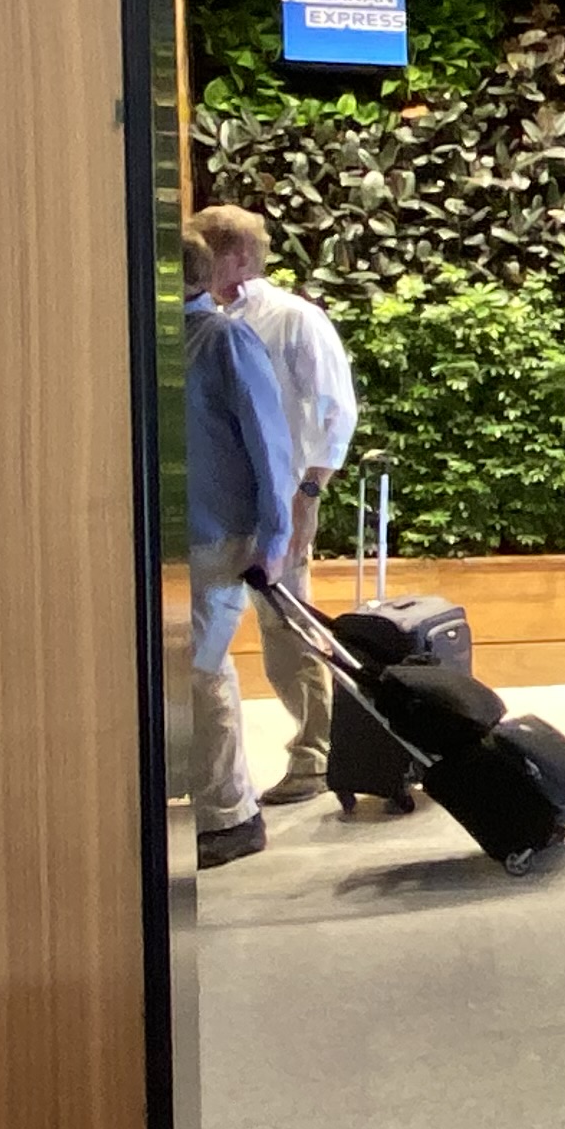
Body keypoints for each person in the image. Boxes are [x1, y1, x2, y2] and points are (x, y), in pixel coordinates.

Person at [189, 205, 361, 806]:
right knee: (226, 641)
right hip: (225, 504)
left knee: (286, 629)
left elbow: (335, 411)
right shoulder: (205, 320)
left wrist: (307, 494)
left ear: (232, 255)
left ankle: (317, 753)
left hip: (280, 497)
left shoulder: (291, 319)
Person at [180, 224, 296, 870]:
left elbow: (270, 444)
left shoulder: (224, 340)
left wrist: (274, 540)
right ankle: (216, 805)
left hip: (220, 540)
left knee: (200, 673)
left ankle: (231, 815)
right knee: (192, 676)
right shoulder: (156, 342)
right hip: (176, 543)